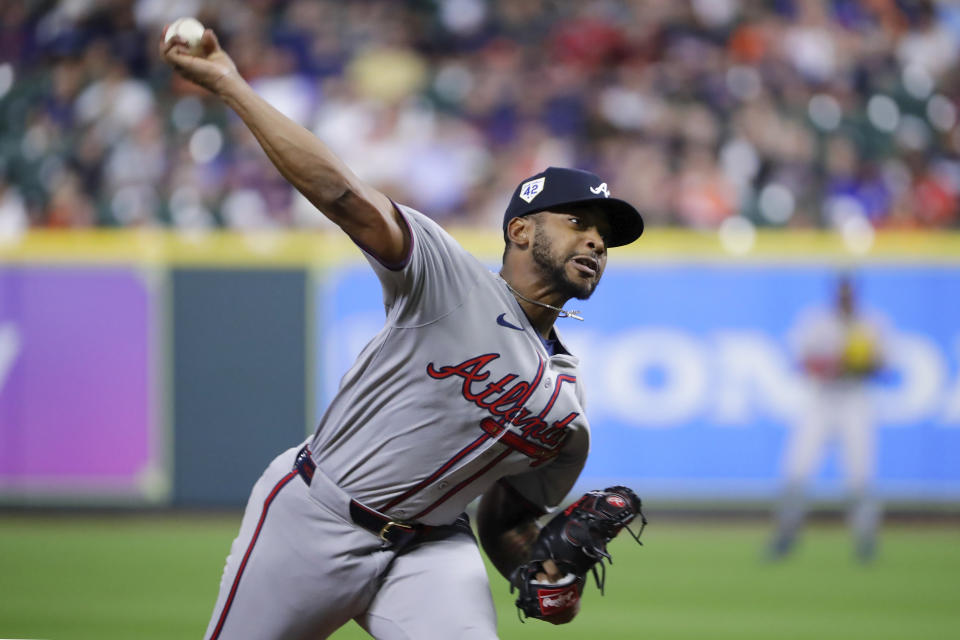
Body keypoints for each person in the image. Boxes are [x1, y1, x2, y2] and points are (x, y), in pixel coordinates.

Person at [161, 25, 645, 640]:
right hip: (317, 516)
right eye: (579, 221)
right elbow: (341, 193)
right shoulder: (448, 278)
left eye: (606, 236)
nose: (597, 241)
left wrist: (549, 576)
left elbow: (507, 522)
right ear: (521, 231)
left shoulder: (568, 405)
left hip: (431, 550)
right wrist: (230, 84)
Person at [768, 274, 887, 562]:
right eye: (841, 291)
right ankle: (786, 534)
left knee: (860, 477)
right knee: (796, 471)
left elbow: (883, 365)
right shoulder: (817, 320)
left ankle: (865, 539)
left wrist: (859, 363)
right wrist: (833, 363)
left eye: (849, 292)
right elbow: (801, 361)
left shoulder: (870, 323)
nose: (845, 297)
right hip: (819, 402)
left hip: (854, 403)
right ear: (836, 293)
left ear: (855, 293)